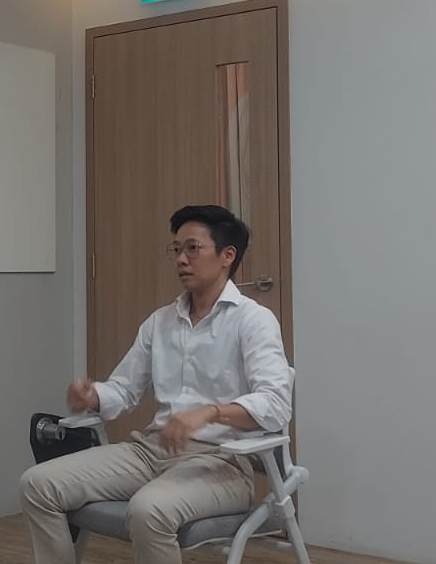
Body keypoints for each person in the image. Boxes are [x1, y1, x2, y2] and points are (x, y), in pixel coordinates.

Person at [19, 204, 293, 564]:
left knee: (147, 510)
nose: (181, 259)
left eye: (192, 248)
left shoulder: (254, 321)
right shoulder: (160, 321)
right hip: (150, 450)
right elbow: (124, 390)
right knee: (37, 485)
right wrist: (93, 396)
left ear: (227, 255)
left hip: (221, 463)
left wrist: (210, 413)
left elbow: (275, 404)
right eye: (176, 249)